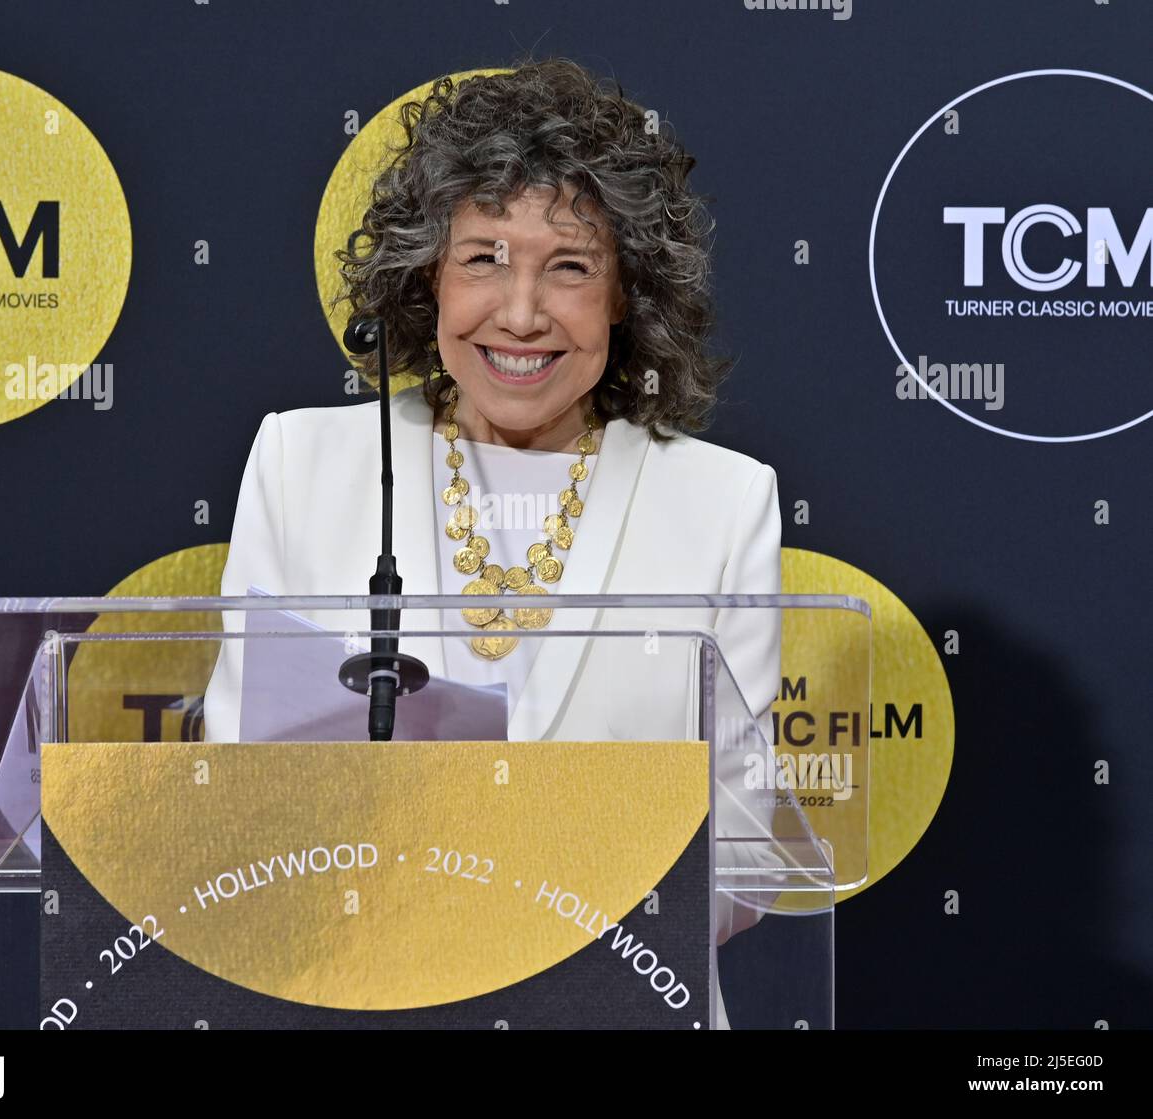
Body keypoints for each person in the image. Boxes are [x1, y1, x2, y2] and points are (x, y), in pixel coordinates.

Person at [202, 57, 787, 1026]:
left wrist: (515, 890)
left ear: (623, 295)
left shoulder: (723, 502)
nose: (520, 313)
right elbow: (233, 787)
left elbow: (748, 853)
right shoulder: (302, 466)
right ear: (426, 277)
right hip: (364, 997)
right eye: (482, 259)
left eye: (568, 266)